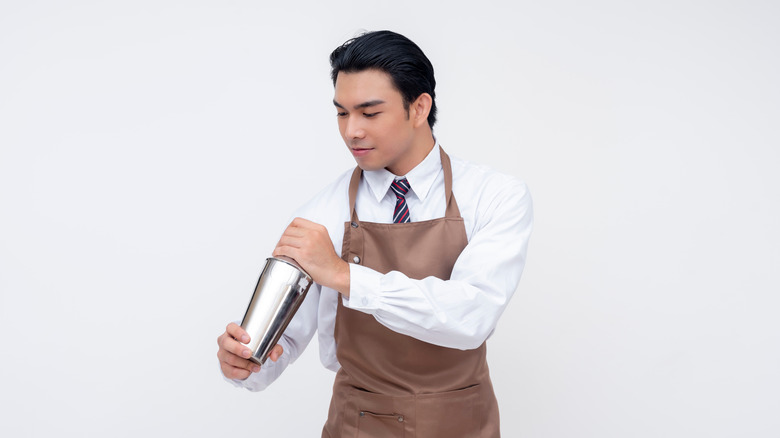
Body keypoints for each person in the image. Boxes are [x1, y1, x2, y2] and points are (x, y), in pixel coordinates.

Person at [216, 30, 533, 437]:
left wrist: (345, 276)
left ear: (419, 108)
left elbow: (472, 316)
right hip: (357, 424)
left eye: (369, 112)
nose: (351, 131)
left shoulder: (494, 196)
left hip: (463, 423)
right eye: (342, 113)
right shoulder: (320, 213)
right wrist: (244, 362)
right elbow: (279, 345)